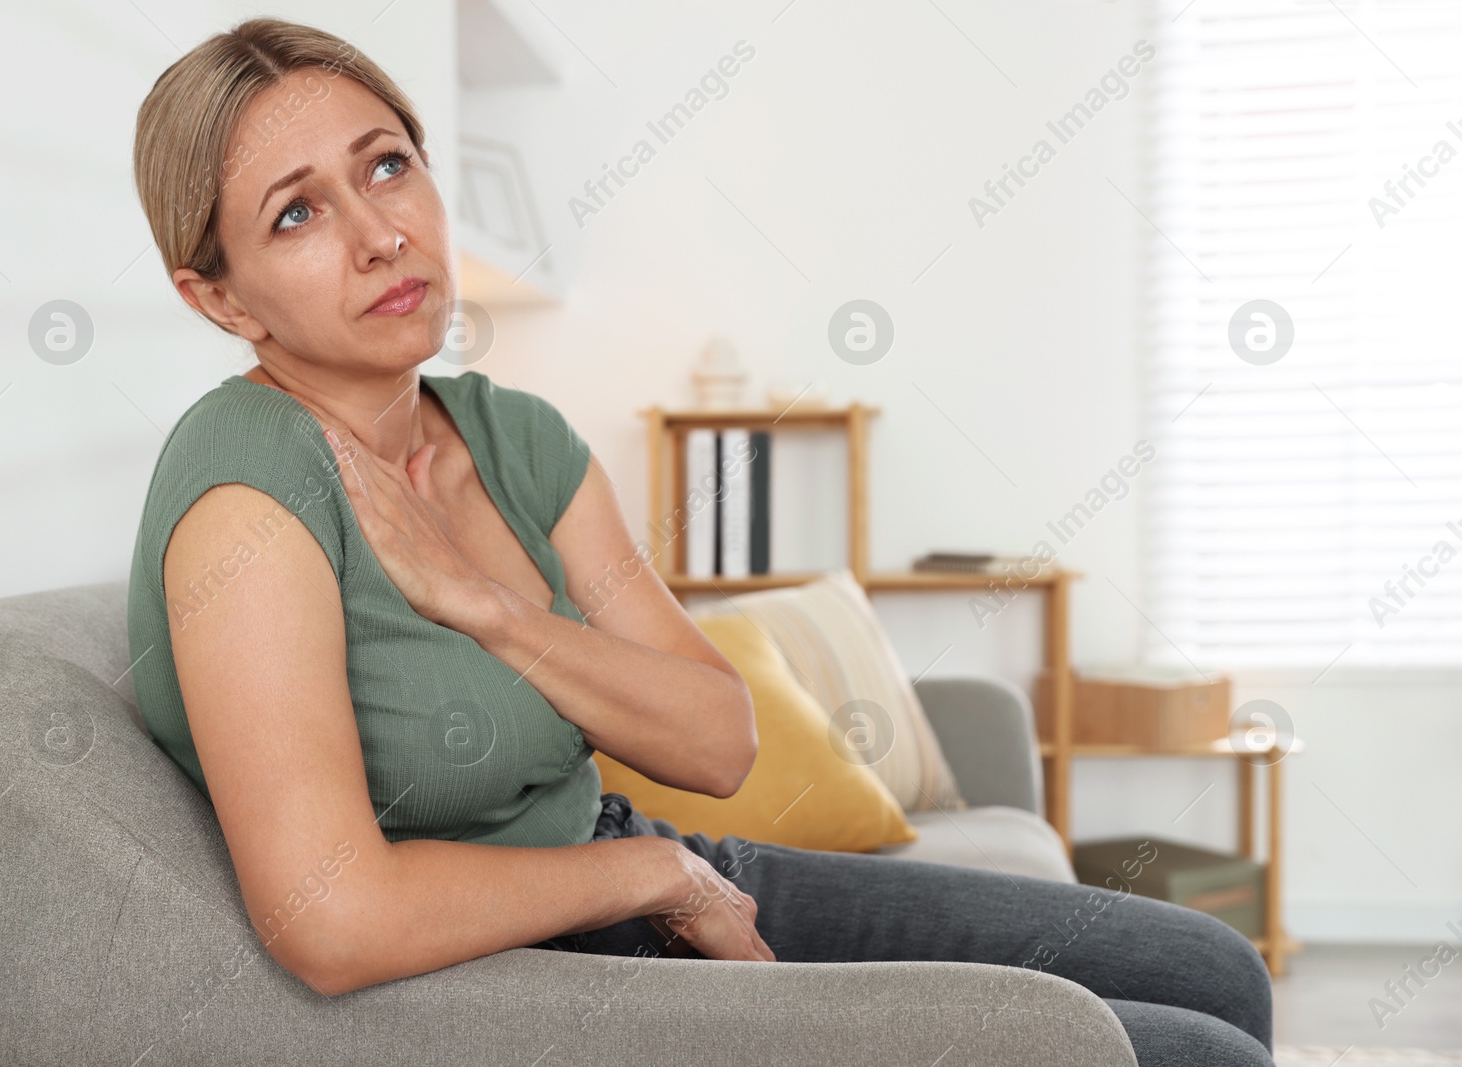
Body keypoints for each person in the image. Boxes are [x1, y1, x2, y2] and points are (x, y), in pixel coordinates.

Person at [125, 18, 1274, 1065]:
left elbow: (720, 739)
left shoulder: (515, 436)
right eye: (297, 212)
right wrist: (648, 870)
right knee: (1194, 1054)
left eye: (387, 164)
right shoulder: (251, 486)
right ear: (223, 301)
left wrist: (491, 608)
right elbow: (330, 918)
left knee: (1212, 966)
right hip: (545, 954)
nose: (380, 233)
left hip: (651, 866)